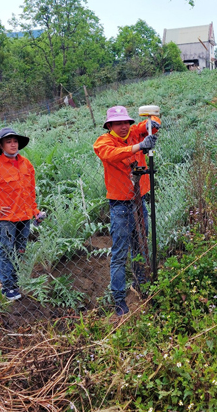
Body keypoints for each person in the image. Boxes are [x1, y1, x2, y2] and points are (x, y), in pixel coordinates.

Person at [93, 106, 160, 316]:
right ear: (110, 125)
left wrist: (153, 122)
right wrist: (139, 146)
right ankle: (119, 299)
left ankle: (141, 285)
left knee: (141, 244)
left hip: (138, 200)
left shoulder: (134, 132)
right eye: (118, 123)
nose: (124, 126)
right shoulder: (103, 142)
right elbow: (110, 155)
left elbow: (149, 125)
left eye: (126, 122)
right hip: (120, 205)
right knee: (120, 252)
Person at [0, 127, 45, 301]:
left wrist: (35, 211)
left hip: (25, 216)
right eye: (8, 142)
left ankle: (16, 281)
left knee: (20, 250)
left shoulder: (26, 164)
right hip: (6, 219)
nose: (13, 145)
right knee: (6, 251)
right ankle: (7, 287)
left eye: (15, 141)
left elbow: (30, 191)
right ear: (1, 146)